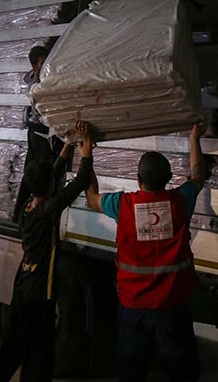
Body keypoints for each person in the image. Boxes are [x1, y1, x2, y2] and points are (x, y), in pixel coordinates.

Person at [85, 122, 207, 382]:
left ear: (138, 180)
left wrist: (87, 154)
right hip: (173, 304)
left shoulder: (123, 204)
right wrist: (194, 137)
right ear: (169, 179)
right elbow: (198, 175)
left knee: (131, 370)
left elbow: (91, 198)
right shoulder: (180, 200)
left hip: (134, 305)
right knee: (182, 372)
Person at [0, 120, 95, 382]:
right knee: (39, 351)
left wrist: (68, 146)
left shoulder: (28, 206)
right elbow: (80, 182)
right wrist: (87, 151)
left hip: (23, 283)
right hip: (39, 289)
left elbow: (51, 176)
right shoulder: (48, 210)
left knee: (12, 345)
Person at [13, 45, 65, 224]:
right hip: (41, 132)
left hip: (36, 131)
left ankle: (19, 214)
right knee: (43, 174)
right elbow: (45, 112)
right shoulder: (36, 85)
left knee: (32, 171)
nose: (46, 65)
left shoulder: (36, 77)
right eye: (43, 62)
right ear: (35, 66)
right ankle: (37, 213)